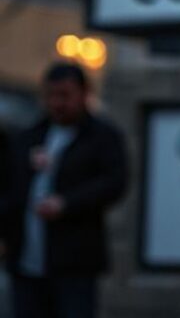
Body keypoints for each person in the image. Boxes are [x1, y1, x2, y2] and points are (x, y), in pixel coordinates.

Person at [0, 63, 128, 318]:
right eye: (51, 95)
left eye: (65, 95)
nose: (57, 103)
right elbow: (10, 187)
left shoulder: (101, 137)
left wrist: (67, 203)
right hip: (26, 260)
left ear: (83, 94)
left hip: (74, 262)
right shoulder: (29, 136)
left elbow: (113, 183)